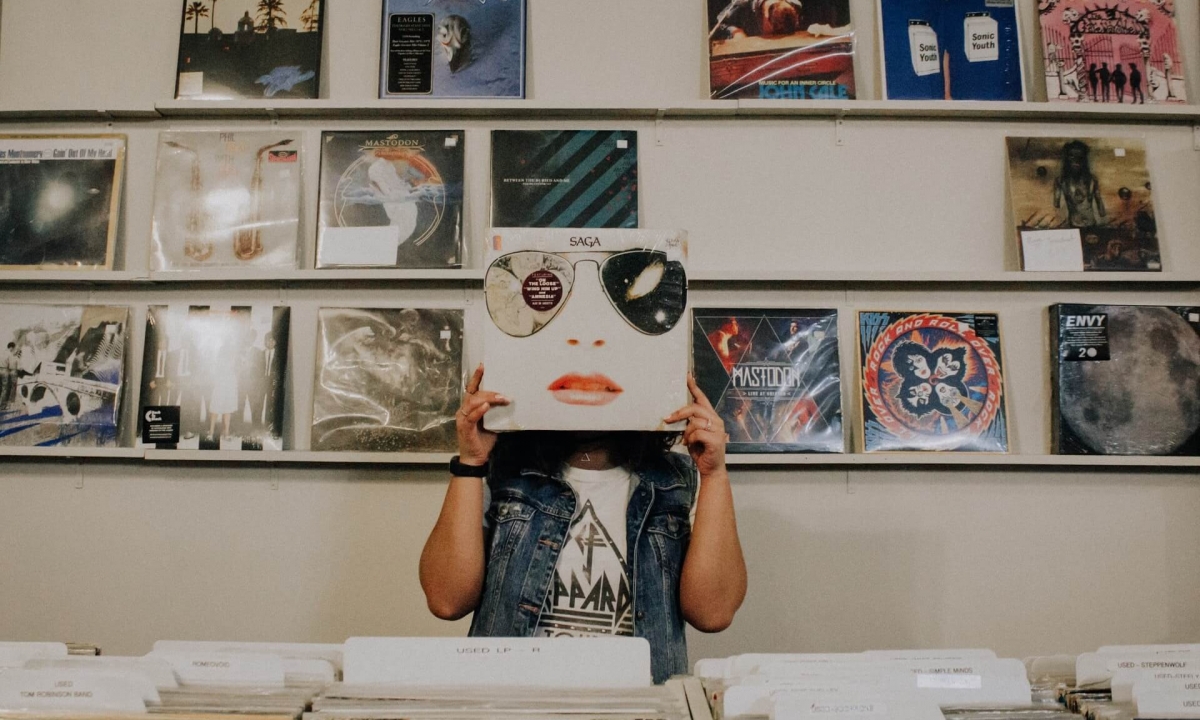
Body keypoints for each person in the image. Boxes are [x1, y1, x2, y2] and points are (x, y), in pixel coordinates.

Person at [420, 366, 748, 683]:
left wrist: (714, 474)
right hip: (514, 704)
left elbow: (712, 613)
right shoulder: (501, 471)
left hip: (638, 706)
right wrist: (470, 462)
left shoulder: (680, 481)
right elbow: (447, 600)